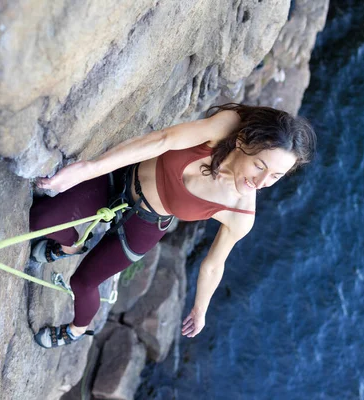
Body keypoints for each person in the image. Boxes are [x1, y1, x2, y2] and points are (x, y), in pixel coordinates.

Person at [29, 103, 316, 348]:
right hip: (123, 179)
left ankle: (76, 330)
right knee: (42, 219)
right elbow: (164, 139)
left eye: (276, 176)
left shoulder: (240, 213)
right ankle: (69, 246)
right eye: (260, 166)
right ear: (244, 142)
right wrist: (88, 170)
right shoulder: (227, 127)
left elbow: (214, 265)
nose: (262, 182)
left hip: (146, 224)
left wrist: (200, 309)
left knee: (83, 282)